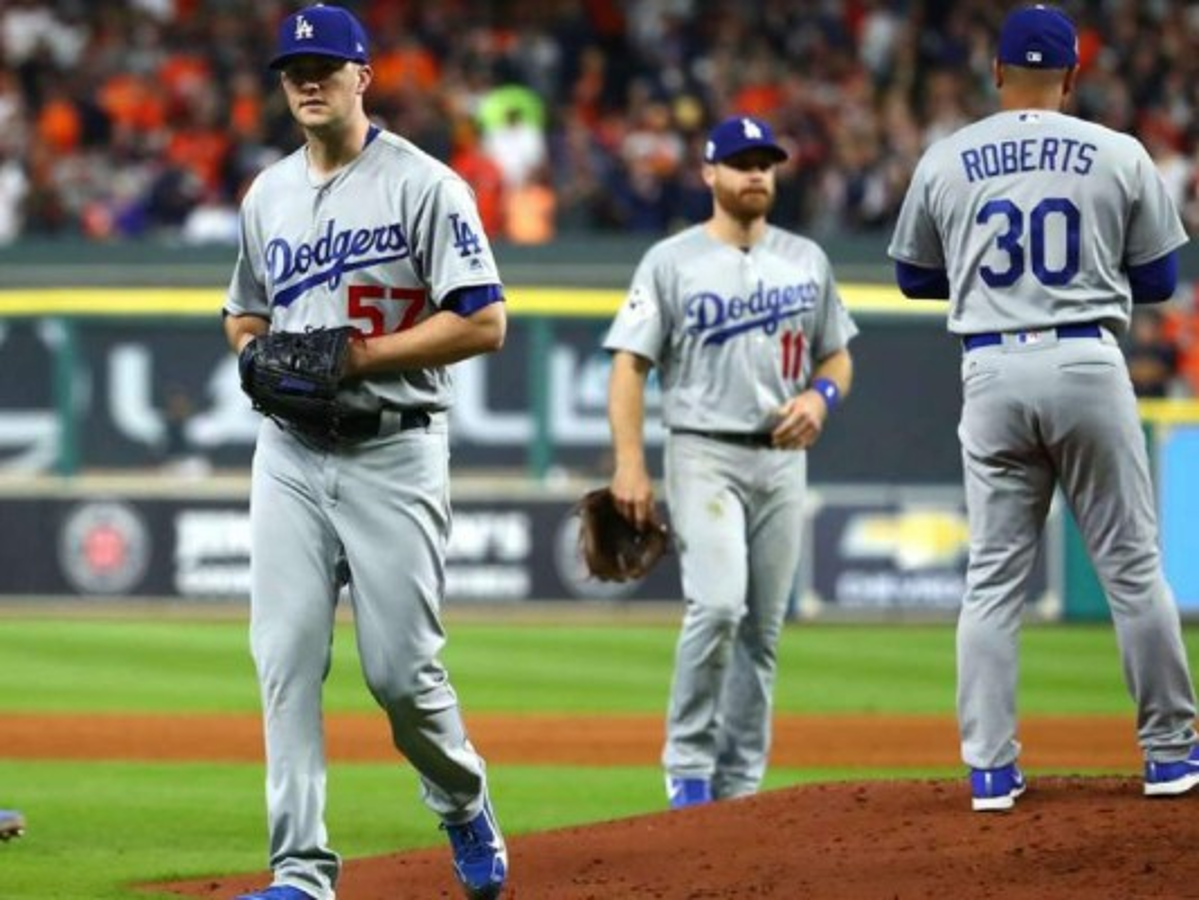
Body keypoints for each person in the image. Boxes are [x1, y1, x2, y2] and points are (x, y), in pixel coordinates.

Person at [221, 6, 507, 899]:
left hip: (395, 449)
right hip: (291, 455)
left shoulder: (425, 186)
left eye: (324, 65)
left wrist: (359, 357)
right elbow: (244, 310)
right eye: (293, 68)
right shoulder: (265, 194)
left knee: (400, 674)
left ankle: (462, 801)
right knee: (285, 657)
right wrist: (252, 355)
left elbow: (485, 320)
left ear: (362, 76)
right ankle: (301, 872)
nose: (307, 80)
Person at [888, 4, 1199, 813]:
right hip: (1086, 356)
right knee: (1132, 570)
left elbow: (912, 278)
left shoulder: (947, 157)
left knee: (991, 581)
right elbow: (1161, 280)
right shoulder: (1117, 152)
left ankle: (990, 773)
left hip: (989, 368)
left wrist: (992, 278)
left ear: (995, 73)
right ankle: (1169, 757)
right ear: (1070, 76)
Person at [603, 114, 858, 808]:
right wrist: (629, 463)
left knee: (761, 633)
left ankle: (740, 788)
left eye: (764, 163)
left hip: (781, 459)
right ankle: (688, 769)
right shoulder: (670, 260)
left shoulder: (805, 258)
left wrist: (821, 396)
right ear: (708, 174)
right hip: (702, 450)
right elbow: (628, 366)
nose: (754, 173)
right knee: (716, 607)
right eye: (740, 162)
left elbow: (837, 352)